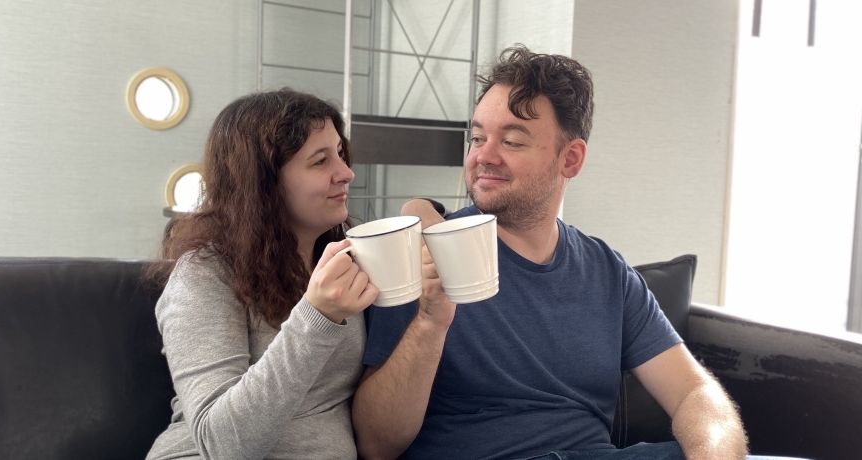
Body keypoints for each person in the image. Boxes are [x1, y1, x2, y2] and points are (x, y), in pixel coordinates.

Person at [351, 46, 749, 460]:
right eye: (478, 138)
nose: (484, 156)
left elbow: (694, 393)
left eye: (511, 141)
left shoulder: (607, 273)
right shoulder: (420, 254)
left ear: (570, 159)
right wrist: (430, 322)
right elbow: (377, 445)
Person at [146, 89, 377, 459]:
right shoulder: (204, 274)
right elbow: (221, 445)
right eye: (320, 161)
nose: (346, 173)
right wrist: (317, 318)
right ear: (264, 184)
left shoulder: (345, 259)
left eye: (340, 153)